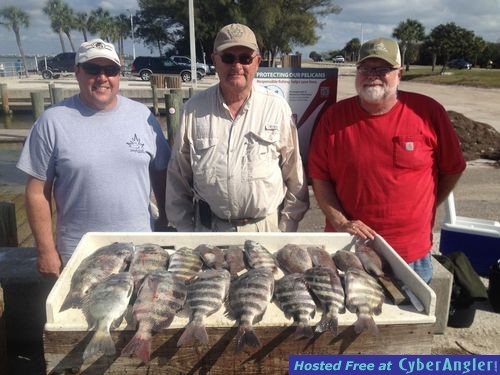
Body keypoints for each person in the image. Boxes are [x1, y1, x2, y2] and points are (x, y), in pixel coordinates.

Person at [308, 37, 466, 283]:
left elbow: (453, 168)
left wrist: (427, 207)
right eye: (366, 69)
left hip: (410, 256)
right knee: (347, 320)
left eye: (382, 69)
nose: (373, 75)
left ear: (399, 74)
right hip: (348, 253)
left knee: (407, 321)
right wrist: (341, 222)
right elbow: (320, 176)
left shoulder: (428, 112)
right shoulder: (334, 117)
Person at [17, 39, 170, 278]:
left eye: (110, 70)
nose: (102, 77)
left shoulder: (143, 116)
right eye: (92, 69)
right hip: (80, 253)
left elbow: (160, 171)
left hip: (140, 250)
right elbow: (36, 192)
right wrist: (46, 250)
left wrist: (164, 221)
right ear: (77, 71)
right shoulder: (52, 121)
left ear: (119, 75)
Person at [165, 23, 309, 232]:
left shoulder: (277, 108)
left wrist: (286, 227)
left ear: (257, 62)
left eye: (245, 58)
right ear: (215, 60)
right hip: (209, 230)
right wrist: (186, 232)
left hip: (265, 230)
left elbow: (294, 174)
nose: (237, 65)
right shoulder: (192, 110)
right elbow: (177, 178)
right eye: (228, 58)